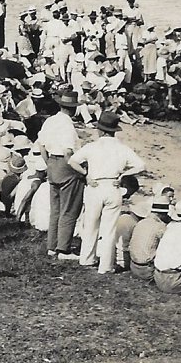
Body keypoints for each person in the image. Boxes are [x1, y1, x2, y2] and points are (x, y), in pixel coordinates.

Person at [68, 111, 146, 274]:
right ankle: (105, 265)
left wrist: (86, 174)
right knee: (109, 228)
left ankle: (87, 259)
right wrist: (124, 174)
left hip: (95, 186)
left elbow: (72, 161)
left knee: (90, 223)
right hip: (112, 186)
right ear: (114, 131)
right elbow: (141, 165)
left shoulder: (92, 146)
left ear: (100, 130)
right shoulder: (122, 149)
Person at [37, 93, 81, 259]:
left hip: (52, 162)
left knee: (55, 208)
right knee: (69, 208)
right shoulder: (67, 126)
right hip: (65, 164)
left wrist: (48, 162)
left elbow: (41, 145)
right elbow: (68, 152)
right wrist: (81, 171)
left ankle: (52, 245)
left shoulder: (50, 120)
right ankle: (63, 248)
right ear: (74, 108)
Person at [129, 198, 171, 281]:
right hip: (147, 270)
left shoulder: (141, 222)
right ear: (161, 214)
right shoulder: (160, 226)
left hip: (133, 266)